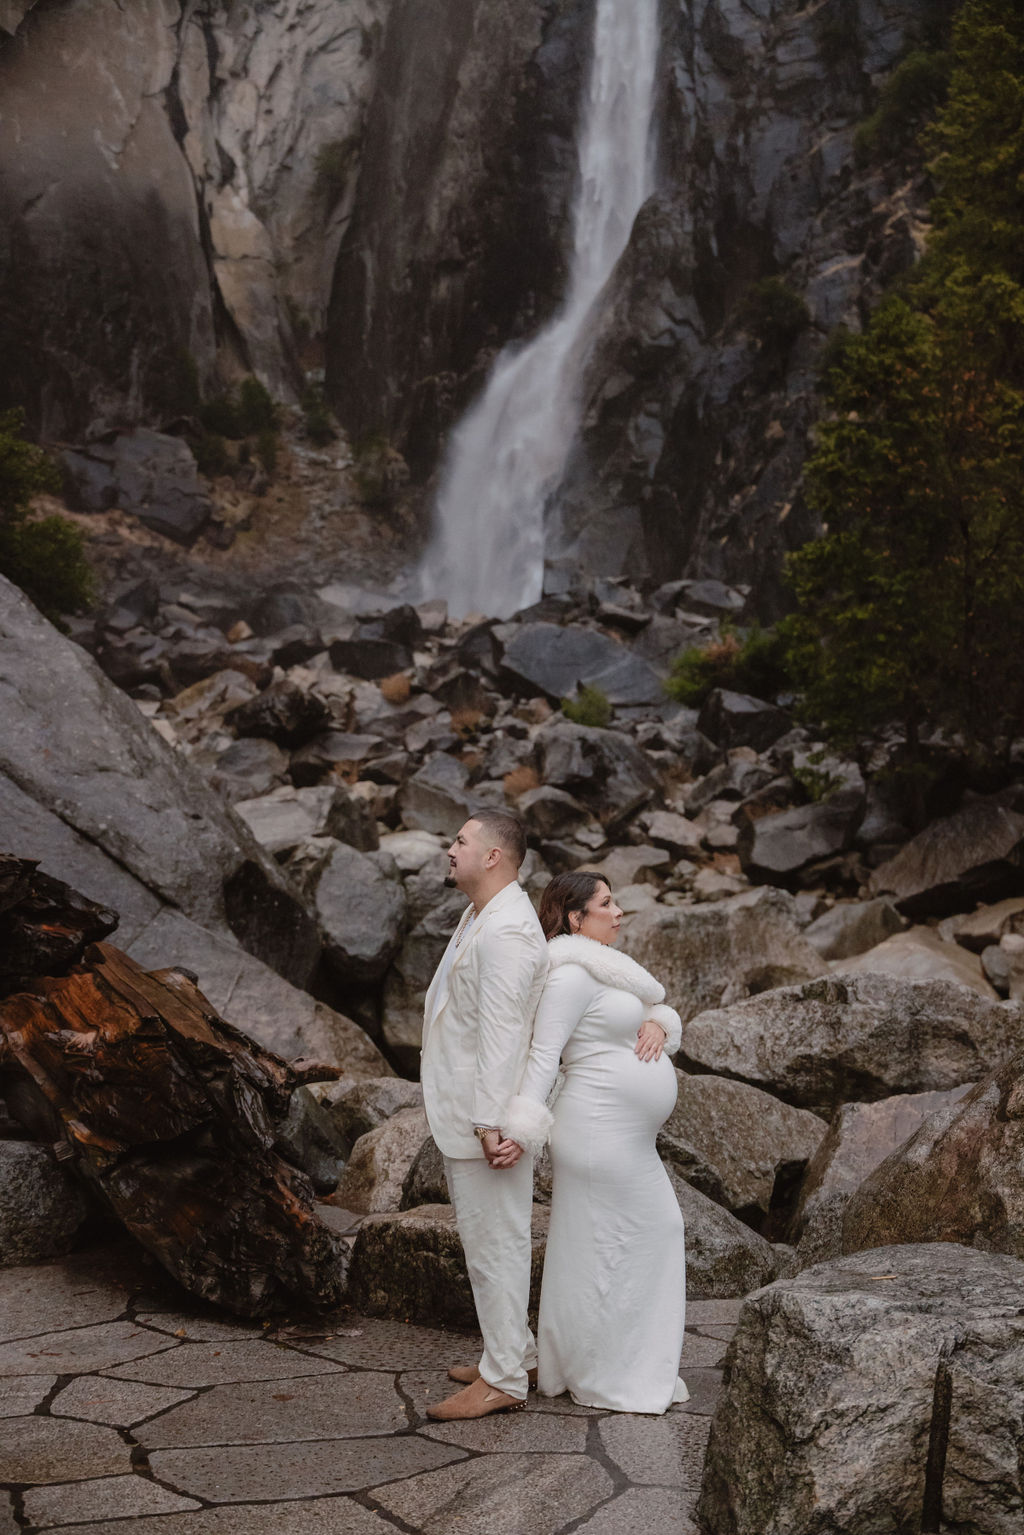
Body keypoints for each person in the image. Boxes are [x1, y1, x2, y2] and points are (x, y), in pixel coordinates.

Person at [512, 870, 688, 1414]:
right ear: (574, 918)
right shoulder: (569, 975)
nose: (619, 912)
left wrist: (660, 1022)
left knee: (615, 1245)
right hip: (595, 1131)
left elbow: (642, 1010)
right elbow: (544, 1056)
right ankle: (609, 1371)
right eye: (607, 904)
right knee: (626, 1242)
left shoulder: (606, 971)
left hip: (623, 1136)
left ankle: (604, 1362)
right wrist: (520, 1131)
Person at [419, 810, 550, 1422]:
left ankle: (503, 1380)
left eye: (461, 840)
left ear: (494, 855)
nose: (451, 848)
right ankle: (512, 1350)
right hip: (469, 1108)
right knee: (487, 1240)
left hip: (486, 1121)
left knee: (495, 1244)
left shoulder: (507, 931)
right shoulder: (482, 913)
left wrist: (491, 1121)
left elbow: (504, 1034)